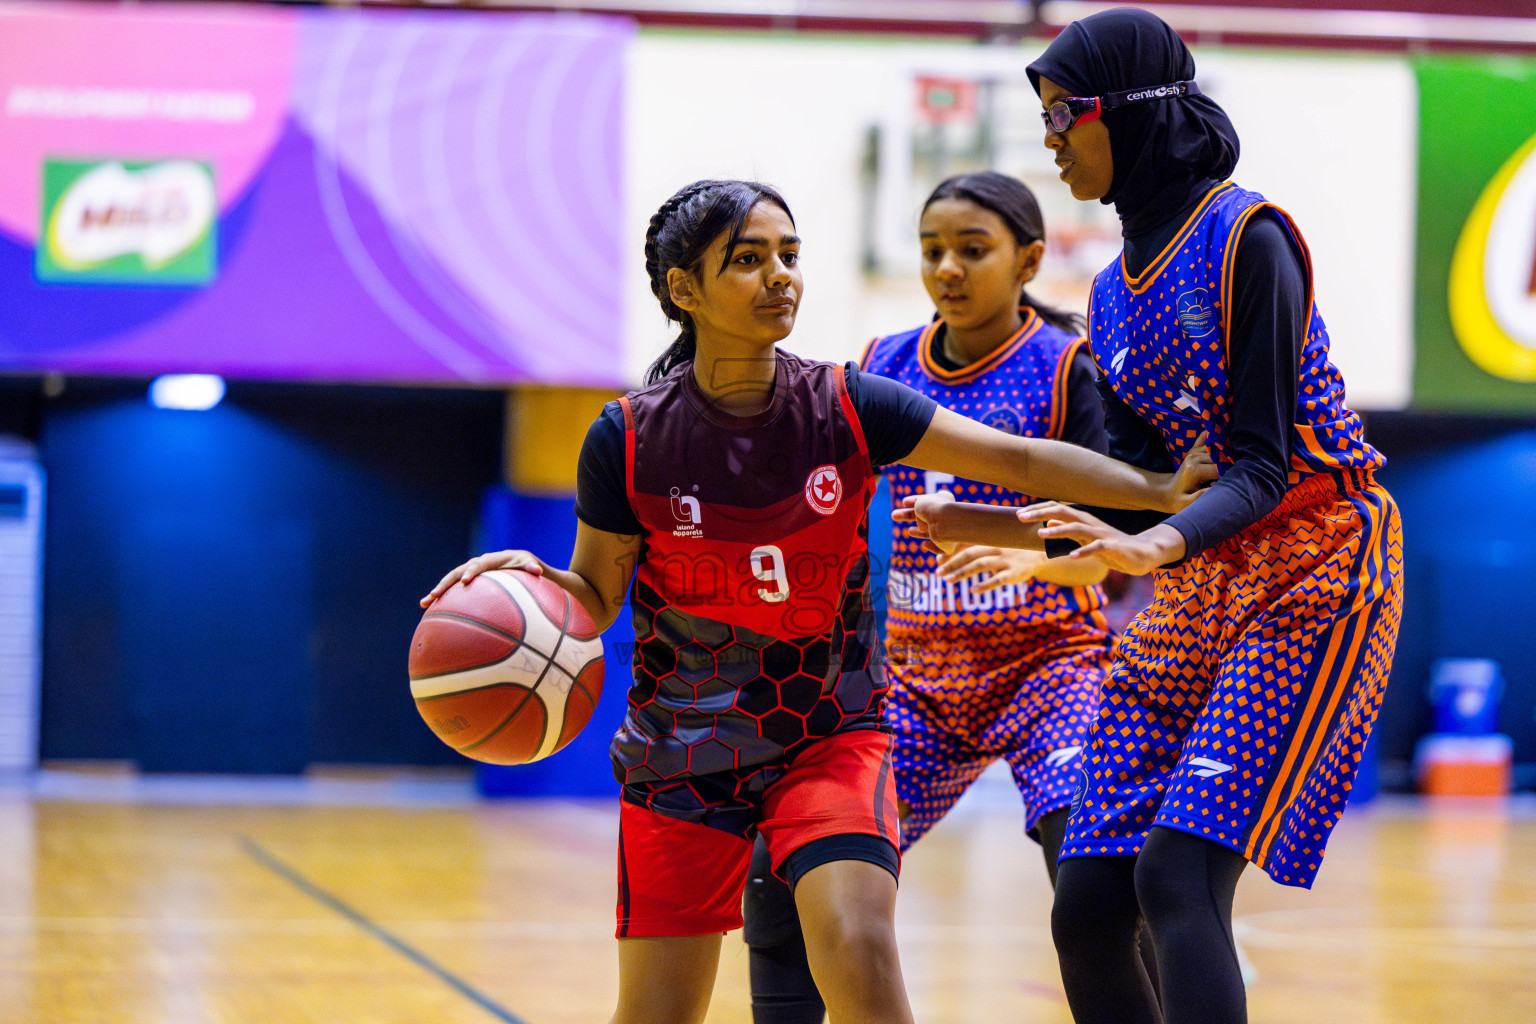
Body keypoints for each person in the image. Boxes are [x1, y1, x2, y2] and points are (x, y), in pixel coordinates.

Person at [423, 178, 1211, 1024]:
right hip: (681, 754)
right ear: (683, 289)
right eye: (749, 260)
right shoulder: (626, 435)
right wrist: (534, 584)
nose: (780, 277)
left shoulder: (848, 402)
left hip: (829, 736)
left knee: (865, 950)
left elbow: (1018, 460)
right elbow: (597, 592)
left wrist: (1160, 489)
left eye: (789, 257)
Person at [901, 11, 1404, 1024]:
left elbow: (1260, 465)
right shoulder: (1109, 297)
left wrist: (1150, 542)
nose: (1047, 139)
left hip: (1317, 571)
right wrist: (997, 530)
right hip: (1201, 579)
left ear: (1126, 114)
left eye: (1060, 115)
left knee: (1176, 877)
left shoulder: (1248, 237)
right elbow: (1142, 486)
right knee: (1088, 903)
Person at [741, 170, 1152, 1024]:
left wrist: (1015, 546)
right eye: (933, 251)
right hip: (916, 682)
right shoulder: (882, 365)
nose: (948, 269)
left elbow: (1102, 541)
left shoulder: (1068, 366)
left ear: (1030, 257)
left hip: (1051, 671)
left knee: (1094, 878)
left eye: (973, 249)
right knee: (787, 872)